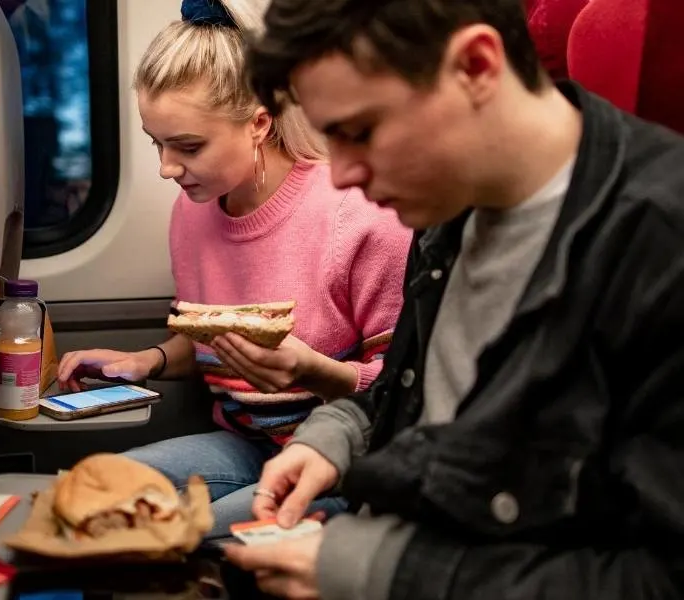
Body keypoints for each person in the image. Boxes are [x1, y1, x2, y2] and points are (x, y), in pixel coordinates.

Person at [223, 0, 684, 598]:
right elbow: (420, 392)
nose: (341, 175)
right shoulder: (447, 204)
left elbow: (660, 579)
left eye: (360, 132)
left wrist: (386, 573)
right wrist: (337, 436)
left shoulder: (658, 245)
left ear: (476, 66)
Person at [56, 0, 412, 537]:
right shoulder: (192, 213)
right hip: (246, 443)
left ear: (259, 124)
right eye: (157, 144)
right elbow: (212, 340)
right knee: (96, 491)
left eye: (188, 147)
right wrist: (145, 360)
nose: (166, 168)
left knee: (177, 537)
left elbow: (402, 393)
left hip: (341, 459)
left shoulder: (358, 214)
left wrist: (312, 372)